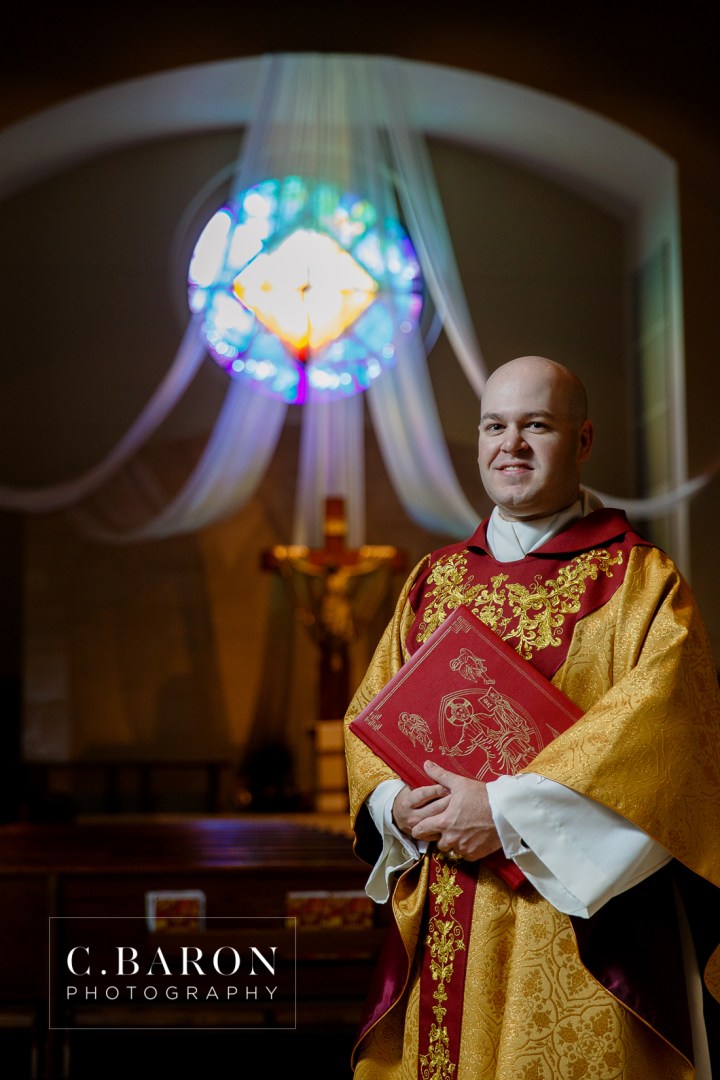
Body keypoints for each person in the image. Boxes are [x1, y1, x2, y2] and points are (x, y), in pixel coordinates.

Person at [343, 355, 720, 1079]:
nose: (509, 445)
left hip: (577, 932)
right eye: (495, 426)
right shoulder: (433, 579)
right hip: (445, 910)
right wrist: (395, 805)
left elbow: (666, 745)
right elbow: (371, 718)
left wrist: (502, 812)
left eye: (536, 426)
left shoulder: (641, 583)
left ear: (582, 441)